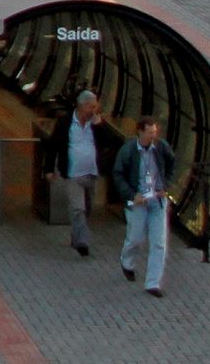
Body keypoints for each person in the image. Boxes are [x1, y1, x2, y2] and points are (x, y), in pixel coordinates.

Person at [40, 90, 123, 257]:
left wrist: (99, 126)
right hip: (73, 174)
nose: (93, 110)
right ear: (82, 106)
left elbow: (109, 142)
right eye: (91, 107)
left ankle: (76, 235)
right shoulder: (65, 122)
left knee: (87, 209)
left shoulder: (97, 123)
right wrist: (48, 169)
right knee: (78, 208)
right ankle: (82, 243)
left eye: (95, 107)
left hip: (91, 173)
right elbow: (53, 146)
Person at [113, 115, 178, 296]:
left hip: (157, 200)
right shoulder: (128, 151)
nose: (153, 136)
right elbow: (118, 175)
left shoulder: (161, 147)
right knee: (136, 238)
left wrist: (166, 185)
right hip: (138, 201)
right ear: (140, 132)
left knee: (159, 243)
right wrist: (131, 194)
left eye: (154, 132)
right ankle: (127, 262)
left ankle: (153, 283)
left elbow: (172, 164)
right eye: (149, 132)